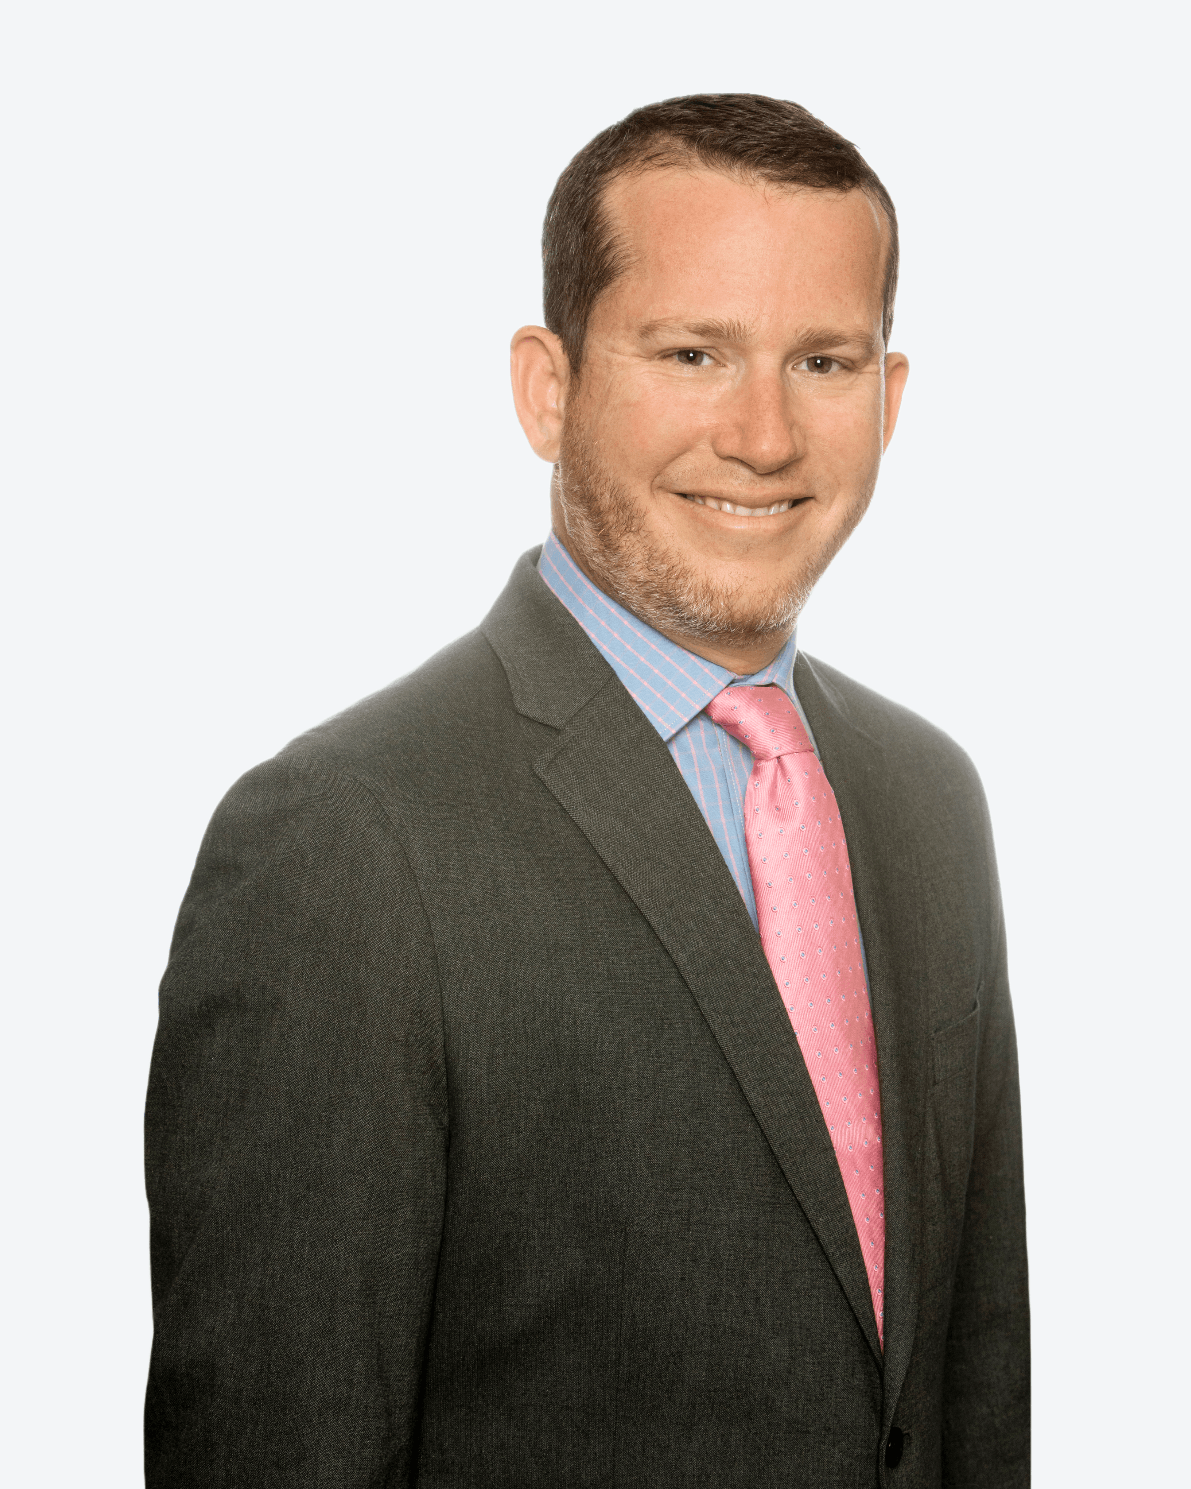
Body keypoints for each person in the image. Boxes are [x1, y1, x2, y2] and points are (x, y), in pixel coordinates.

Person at [144, 93, 1029, 1487]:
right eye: (691, 353)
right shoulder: (344, 838)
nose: (761, 435)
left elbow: (969, 1378)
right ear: (546, 389)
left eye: (820, 360)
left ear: (887, 396)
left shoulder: (926, 799)